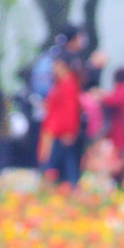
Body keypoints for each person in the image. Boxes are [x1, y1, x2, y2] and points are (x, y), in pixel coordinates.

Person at [40, 55, 82, 186]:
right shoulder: (59, 83)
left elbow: (70, 109)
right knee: (58, 164)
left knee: (57, 165)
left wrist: (69, 130)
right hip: (54, 131)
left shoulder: (68, 83)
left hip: (61, 132)